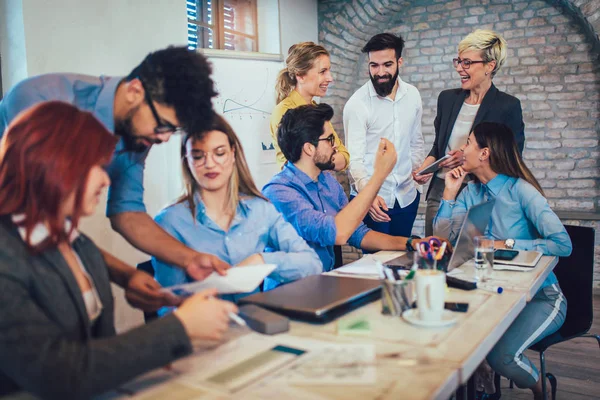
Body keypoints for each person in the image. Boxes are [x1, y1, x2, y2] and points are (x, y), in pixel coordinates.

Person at [0, 102, 238, 399]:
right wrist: (179, 329)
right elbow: (57, 371)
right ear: (54, 164)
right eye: (95, 168)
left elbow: (96, 350)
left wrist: (129, 280)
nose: (106, 180)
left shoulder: (75, 241)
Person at [0, 46, 229, 312]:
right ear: (134, 91)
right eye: (163, 126)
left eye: (173, 131)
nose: (164, 138)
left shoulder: (139, 133)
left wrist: (190, 258)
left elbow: (127, 213)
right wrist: (123, 274)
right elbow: (41, 224)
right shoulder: (45, 99)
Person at [434, 122, 571, 400]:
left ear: (484, 153)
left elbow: (562, 244)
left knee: (501, 357)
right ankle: (484, 389)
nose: (462, 149)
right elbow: (441, 240)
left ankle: (542, 387)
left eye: (469, 143)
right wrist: (449, 193)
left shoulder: (520, 191)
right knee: (450, 334)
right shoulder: (471, 192)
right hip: (494, 295)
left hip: (541, 297)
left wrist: (506, 244)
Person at [151, 113, 321, 302]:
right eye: (198, 156)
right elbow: (168, 302)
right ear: (187, 161)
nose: (209, 163)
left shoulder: (260, 210)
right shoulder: (169, 222)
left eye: (219, 153)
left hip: (255, 321)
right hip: (201, 325)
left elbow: (311, 263)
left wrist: (262, 260)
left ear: (233, 154)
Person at [263, 103, 447, 271]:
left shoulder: (327, 181)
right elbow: (338, 233)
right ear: (309, 148)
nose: (336, 146)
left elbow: (358, 233)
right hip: (289, 295)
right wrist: (379, 174)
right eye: (330, 139)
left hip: (324, 283)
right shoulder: (280, 192)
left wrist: (413, 243)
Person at [415, 29, 525, 236]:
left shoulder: (508, 106)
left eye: (467, 62)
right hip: (441, 189)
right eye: (458, 61)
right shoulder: (446, 99)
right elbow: (439, 147)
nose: (459, 68)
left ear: (489, 66)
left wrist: (466, 159)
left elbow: (512, 159)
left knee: (471, 255)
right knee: (436, 252)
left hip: (480, 193)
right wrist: (425, 169)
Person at [344, 33, 424, 238]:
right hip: (373, 201)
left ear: (399, 62)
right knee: (375, 266)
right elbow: (354, 160)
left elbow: (415, 141)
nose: (380, 72)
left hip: (407, 197)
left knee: (402, 259)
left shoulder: (413, 95)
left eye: (387, 64)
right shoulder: (357, 104)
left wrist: (417, 171)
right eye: (374, 65)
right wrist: (368, 195)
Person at [271, 42, 349, 171]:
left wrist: (322, 158)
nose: (330, 78)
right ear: (300, 75)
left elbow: (345, 157)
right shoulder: (284, 111)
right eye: (322, 72)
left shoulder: (317, 112)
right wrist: (330, 156)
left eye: (329, 71)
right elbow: (299, 165)